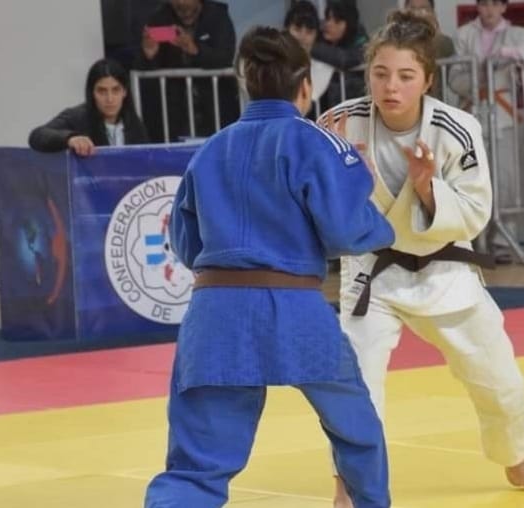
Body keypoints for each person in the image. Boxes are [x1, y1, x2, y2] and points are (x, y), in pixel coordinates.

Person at [320, 10, 524, 507]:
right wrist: (352, 176)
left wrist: (427, 188)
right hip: (372, 273)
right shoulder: (337, 125)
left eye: (406, 76)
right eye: (381, 73)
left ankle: (514, 459)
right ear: (367, 73)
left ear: (428, 80)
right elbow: (314, 204)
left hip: (445, 271)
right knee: (356, 386)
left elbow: (476, 212)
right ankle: (347, 484)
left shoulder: (457, 129)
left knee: (501, 382)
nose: (391, 86)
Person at [142, 26, 395, 508]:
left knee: (197, 464)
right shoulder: (316, 142)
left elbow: (185, 240)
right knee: (356, 427)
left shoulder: (210, 149)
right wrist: (364, 190)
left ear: (245, 84)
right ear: (306, 87)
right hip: (294, 309)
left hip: (215, 311)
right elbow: (347, 231)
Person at [448, 0, 524, 263]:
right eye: (484, 5)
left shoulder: (516, 33)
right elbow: (454, 77)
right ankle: (473, 240)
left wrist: (508, 52)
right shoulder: (465, 35)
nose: (489, 10)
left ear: (504, 7)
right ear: (477, 7)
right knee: (469, 179)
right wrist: (480, 75)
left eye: (495, 4)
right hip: (472, 114)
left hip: (503, 115)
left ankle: (502, 243)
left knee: (505, 180)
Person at [135, 0, 239, 141]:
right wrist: (148, 54)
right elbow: (144, 68)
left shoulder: (217, 15)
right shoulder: (160, 17)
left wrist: (194, 50)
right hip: (175, 111)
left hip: (216, 107)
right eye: (179, 9)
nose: (184, 13)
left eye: (189, 10)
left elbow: (225, 57)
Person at [29, 59, 149, 156]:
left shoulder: (134, 122)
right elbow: (37, 136)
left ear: (125, 92)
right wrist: (70, 139)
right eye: (102, 91)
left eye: (116, 90)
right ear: (92, 93)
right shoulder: (77, 117)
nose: (110, 99)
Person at [312, 0, 369, 111]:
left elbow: (345, 59)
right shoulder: (321, 39)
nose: (329, 24)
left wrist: (311, 47)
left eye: (337, 21)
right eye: (328, 18)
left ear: (349, 23)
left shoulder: (361, 40)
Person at [284, 0, 335, 115]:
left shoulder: (325, 69)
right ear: (287, 29)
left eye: (309, 31)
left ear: (316, 34)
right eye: (297, 29)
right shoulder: (275, 66)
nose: (302, 37)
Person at [404, 0, 455, 100]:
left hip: (433, 102)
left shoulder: (443, 42)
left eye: (423, 9)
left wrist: (433, 29)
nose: (417, 14)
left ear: (432, 12)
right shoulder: (394, 41)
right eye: (412, 8)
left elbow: (443, 49)